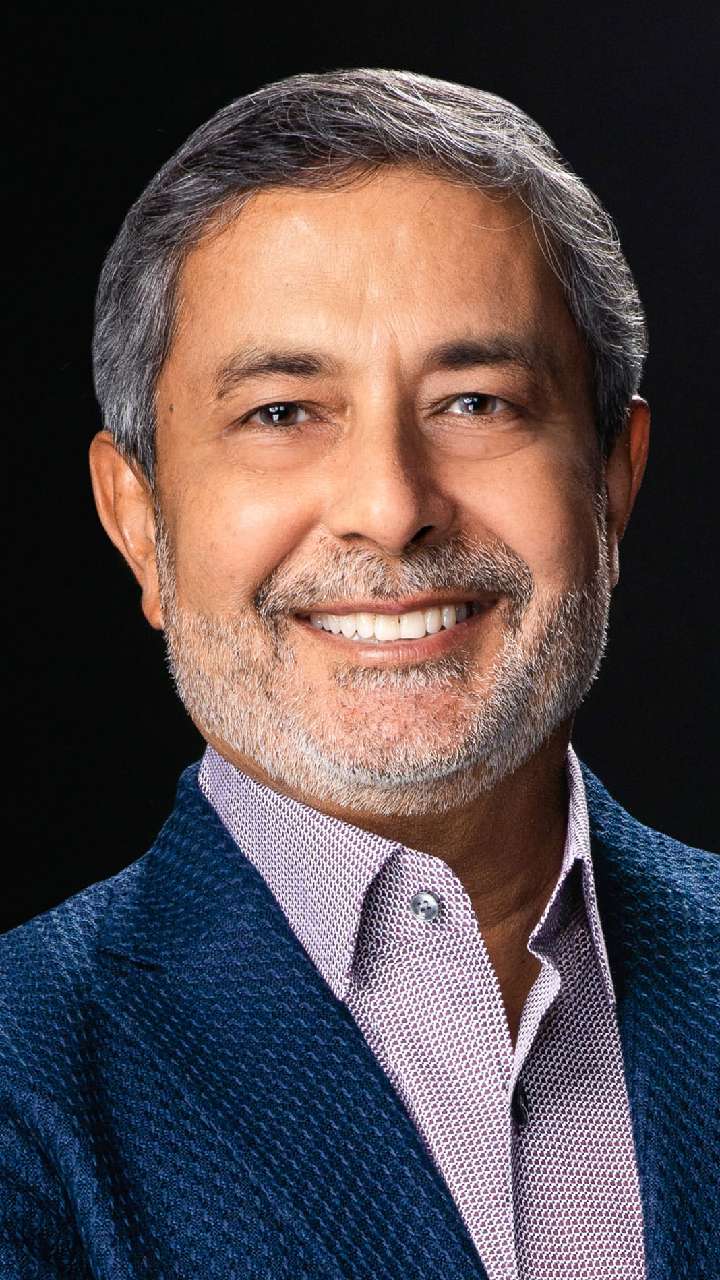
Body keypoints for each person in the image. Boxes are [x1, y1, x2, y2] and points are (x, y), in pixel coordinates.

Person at [1, 67, 717, 1280]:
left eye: (475, 401)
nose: (390, 507)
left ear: (614, 481)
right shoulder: (22, 1068)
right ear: (138, 522)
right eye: (283, 412)